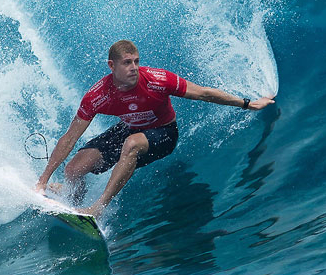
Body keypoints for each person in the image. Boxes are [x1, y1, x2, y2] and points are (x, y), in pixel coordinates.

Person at [34, 39, 275, 217]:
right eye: (127, 62)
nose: (134, 67)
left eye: (136, 61)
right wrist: (43, 181)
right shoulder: (98, 96)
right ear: (111, 65)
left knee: (132, 144)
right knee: (74, 168)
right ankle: (69, 198)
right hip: (129, 128)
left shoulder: (158, 81)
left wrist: (248, 104)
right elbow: (69, 137)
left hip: (164, 134)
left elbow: (203, 93)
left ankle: (97, 209)